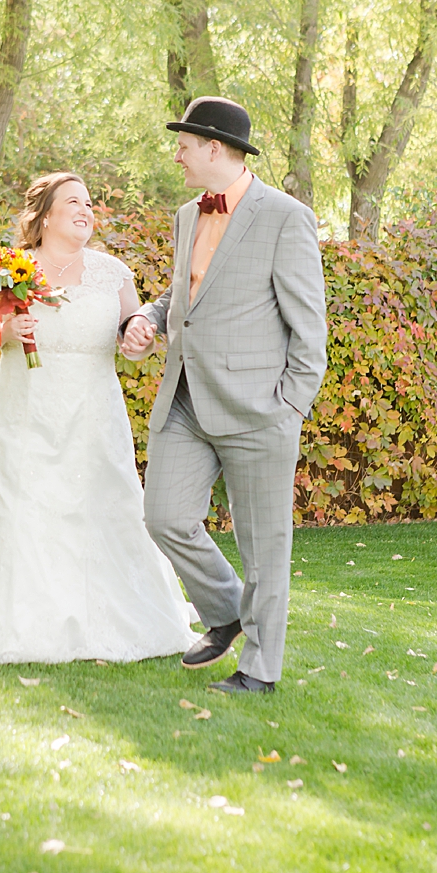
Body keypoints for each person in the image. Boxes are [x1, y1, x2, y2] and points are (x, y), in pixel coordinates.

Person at [118, 96, 328, 695]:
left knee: (264, 547)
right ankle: (229, 610)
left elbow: (310, 327)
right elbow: (188, 293)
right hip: (185, 399)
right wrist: (153, 319)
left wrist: (289, 406)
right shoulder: (188, 215)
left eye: (183, 145)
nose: (176, 155)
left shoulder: (286, 217)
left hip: (259, 410)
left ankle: (259, 671)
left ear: (214, 148)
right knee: (164, 517)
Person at [0, 172, 197, 665]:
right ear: (46, 215)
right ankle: (27, 617)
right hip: (24, 412)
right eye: (74, 202)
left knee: (99, 505)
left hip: (94, 413)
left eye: (89, 202)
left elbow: (134, 335)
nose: (86, 209)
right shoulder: (8, 270)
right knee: (29, 508)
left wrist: (139, 338)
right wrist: (3, 332)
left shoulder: (112, 273)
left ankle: (110, 612)